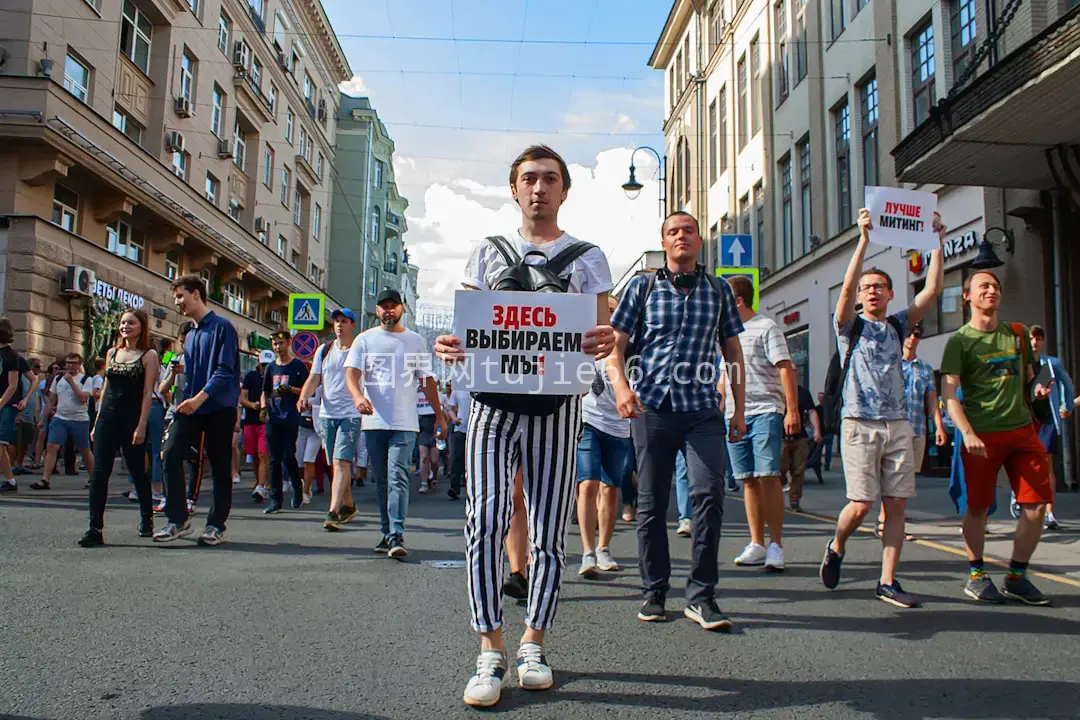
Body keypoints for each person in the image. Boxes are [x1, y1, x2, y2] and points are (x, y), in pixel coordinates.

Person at [433, 145, 614, 708]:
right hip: (492, 405)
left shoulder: (588, 258)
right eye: (529, 179)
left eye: (550, 179)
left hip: (557, 408)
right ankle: (489, 647)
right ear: (514, 189)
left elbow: (602, 332)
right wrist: (450, 345)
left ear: (564, 190)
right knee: (484, 519)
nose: (539, 188)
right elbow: (468, 328)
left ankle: (534, 642)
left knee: (547, 532)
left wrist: (602, 342)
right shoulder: (488, 253)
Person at [607, 211, 746, 631]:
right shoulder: (641, 287)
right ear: (664, 242)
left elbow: (733, 353)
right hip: (651, 407)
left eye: (687, 231)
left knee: (708, 495)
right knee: (651, 504)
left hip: (702, 409)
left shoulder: (718, 290)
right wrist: (622, 391)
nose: (680, 237)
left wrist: (739, 408)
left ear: (699, 241)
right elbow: (615, 349)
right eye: (673, 232)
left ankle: (702, 595)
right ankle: (655, 590)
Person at [820, 207, 946, 608]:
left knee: (896, 506)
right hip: (859, 424)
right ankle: (837, 544)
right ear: (860, 295)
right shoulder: (848, 326)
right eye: (867, 287)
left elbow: (932, 292)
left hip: (898, 425)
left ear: (891, 294)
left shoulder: (897, 325)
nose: (872, 291)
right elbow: (843, 293)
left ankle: (887, 581)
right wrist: (863, 240)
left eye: (880, 286)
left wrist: (938, 242)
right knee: (861, 506)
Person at [942, 271, 1055, 606]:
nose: (991, 291)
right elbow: (949, 393)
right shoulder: (959, 342)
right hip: (982, 437)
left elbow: (1032, 377)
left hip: (1022, 432)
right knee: (978, 508)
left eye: (995, 287)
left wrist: (1037, 390)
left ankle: (1017, 576)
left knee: (1035, 507)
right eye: (983, 286)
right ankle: (976, 575)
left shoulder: (1018, 335)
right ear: (967, 296)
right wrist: (966, 432)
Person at [348, 288, 446, 557]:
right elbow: (352, 374)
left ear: (402, 309)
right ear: (377, 310)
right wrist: (358, 397)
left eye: (393, 306)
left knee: (398, 477)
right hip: (374, 421)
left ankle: (396, 534)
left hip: (405, 422)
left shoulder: (415, 341)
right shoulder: (364, 340)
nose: (388, 310)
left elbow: (426, 380)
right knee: (381, 481)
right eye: (383, 306)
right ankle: (385, 532)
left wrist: (439, 416)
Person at [154, 276, 240, 546]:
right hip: (191, 406)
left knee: (220, 464)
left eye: (180, 296)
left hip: (218, 407)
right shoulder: (189, 335)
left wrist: (199, 399)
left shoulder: (223, 327)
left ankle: (216, 525)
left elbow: (225, 371)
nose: (177, 302)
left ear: (197, 295)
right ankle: (178, 519)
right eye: (176, 297)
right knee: (169, 454)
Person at [723, 275, 801, 573]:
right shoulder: (725, 334)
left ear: (738, 301)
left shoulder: (766, 327)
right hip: (735, 413)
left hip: (766, 409)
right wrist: (723, 408)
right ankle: (756, 543)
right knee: (747, 479)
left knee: (768, 475)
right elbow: (722, 376)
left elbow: (786, 369)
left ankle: (776, 544)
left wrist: (791, 410)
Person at [78, 311, 160, 546]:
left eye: (131, 323)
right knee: (99, 473)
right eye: (123, 322)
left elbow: (147, 392)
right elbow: (105, 390)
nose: (125, 326)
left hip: (132, 419)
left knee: (137, 471)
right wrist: (96, 422)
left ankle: (147, 518)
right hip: (108, 418)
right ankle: (95, 528)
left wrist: (142, 425)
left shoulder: (149, 355)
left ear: (142, 327)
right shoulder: (112, 353)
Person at [576, 296, 633, 578]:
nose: (606, 315)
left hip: (620, 426)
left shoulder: (629, 346)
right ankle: (587, 552)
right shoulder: (584, 343)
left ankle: (603, 548)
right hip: (589, 421)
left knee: (610, 488)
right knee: (588, 484)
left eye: (611, 311)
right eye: (604, 310)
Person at [874, 323, 947, 536]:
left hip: (917, 428)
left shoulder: (925, 369)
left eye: (916, 335)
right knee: (894, 476)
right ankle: (887, 522)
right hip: (895, 427)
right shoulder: (892, 364)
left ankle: (891, 521)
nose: (912, 338)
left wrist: (939, 425)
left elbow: (932, 400)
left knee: (905, 479)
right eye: (908, 335)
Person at [299, 308, 362, 531]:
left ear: (352, 325)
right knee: (336, 464)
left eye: (344, 321)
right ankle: (349, 505)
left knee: (341, 462)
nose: (338, 325)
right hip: (327, 414)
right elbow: (315, 377)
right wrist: (304, 396)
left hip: (351, 415)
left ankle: (332, 512)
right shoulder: (324, 350)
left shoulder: (360, 350)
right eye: (336, 321)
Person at [1025, 325, 1074, 530]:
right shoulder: (1022, 363)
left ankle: (1050, 513)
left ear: (1043, 341)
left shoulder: (1051, 364)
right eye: (1032, 338)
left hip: (1046, 420)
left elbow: (1067, 383)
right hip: (1026, 419)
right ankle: (1025, 505)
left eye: (1039, 338)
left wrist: (1067, 404)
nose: (1035, 342)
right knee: (1025, 463)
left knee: (1046, 465)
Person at [30, 353, 95, 490]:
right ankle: (45, 479)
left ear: (79, 365)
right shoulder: (59, 378)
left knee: (84, 450)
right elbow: (51, 399)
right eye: (68, 363)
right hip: (60, 417)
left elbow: (83, 398)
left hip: (79, 419)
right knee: (52, 446)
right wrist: (42, 418)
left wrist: (72, 382)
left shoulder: (86, 380)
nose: (70, 366)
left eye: (74, 363)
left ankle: (93, 478)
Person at [261, 329, 309, 514]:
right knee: (274, 459)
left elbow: (307, 389)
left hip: (290, 416)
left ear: (288, 343)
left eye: (281, 343)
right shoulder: (271, 367)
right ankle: (276, 500)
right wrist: (264, 407)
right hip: (273, 417)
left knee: (288, 455)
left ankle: (297, 487)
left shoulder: (297, 366)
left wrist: (291, 390)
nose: (277, 347)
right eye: (274, 344)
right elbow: (265, 391)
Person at [0, 318, 35, 493]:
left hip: (7, 406)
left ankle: (10, 480)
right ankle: (10, 481)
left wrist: (25, 399)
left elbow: (13, 384)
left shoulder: (11, 357)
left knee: (1, 445)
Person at [782, 384, 821, 513]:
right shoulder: (776, 389)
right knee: (779, 469)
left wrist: (817, 431)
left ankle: (794, 500)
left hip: (799, 436)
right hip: (780, 436)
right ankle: (774, 498)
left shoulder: (803, 392)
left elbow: (812, 411)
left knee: (799, 469)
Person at [242, 350, 274, 503]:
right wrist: (252, 405)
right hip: (250, 419)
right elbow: (242, 397)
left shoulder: (275, 376)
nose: (265, 368)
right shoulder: (251, 376)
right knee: (254, 454)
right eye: (263, 365)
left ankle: (261, 484)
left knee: (263, 453)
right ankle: (258, 479)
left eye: (268, 365)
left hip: (267, 421)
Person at [296, 386, 322, 504]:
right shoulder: (305, 387)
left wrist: (312, 407)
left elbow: (327, 406)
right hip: (302, 426)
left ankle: (306, 491)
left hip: (316, 428)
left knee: (308, 460)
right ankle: (304, 483)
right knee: (299, 460)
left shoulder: (323, 388)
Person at [445, 383, 471, 501]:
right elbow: (450, 407)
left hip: (476, 428)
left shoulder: (480, 388)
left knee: (471, 460)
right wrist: (454, 418)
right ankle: (454, 488)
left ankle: (472, 488)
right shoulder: (458, 389)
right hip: (460, 428)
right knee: (456, 457)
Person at [416, 383, 439, 493]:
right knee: (424, 457)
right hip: (423, 430)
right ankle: (424, 483)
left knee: (434, 460)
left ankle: (434, 476)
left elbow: (445, 414)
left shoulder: (438, 396)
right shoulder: (416, 397)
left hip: (435, 429)